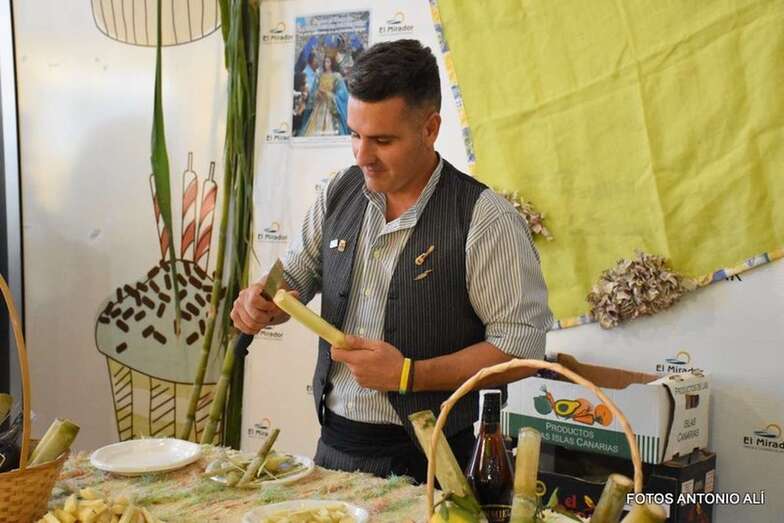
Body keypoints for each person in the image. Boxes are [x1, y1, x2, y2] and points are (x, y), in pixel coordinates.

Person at [231, 39, 553, 483]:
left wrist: (409, 375)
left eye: (382, 140)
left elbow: (522, 350)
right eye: (355, 135)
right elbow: (294, 278)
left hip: (436, 464)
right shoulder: (338, 192)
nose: (362, 156)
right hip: (334, 449)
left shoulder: (484, 218)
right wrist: (262, 302)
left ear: (430, 128)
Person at [301, 56, 349, 136]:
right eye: (325, 62)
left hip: (331, 107)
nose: (326, 64)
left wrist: (329, 94)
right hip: (319, 105)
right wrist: (317, 93)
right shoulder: (319, 76)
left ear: (332, 63)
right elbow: (314, 90)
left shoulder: (337, 76)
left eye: (328, 62)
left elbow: (342, 94)